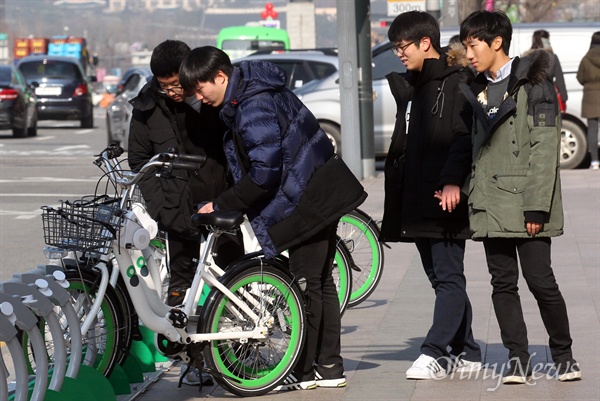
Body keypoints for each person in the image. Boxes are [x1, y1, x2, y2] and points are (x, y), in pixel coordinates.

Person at [178, 46, 367, 391]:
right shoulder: (250, 94)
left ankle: (310, 369)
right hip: (314, 191)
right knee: (319, 282)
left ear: (220, 77)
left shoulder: (253, 105)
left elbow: (265, 172)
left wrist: (221, 204)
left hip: (307, 199)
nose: (199, 97)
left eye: (200, 88)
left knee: (308, 284)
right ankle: (325, 366)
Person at [458, 10, 581, 384]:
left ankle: (563, 354)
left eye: (473, 44)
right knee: (502, 282)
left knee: (540, 279)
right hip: (490, 200)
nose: (468, 53)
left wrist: (536, 205)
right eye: (465, 46)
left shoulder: (535, 84)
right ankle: (518, 358)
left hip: (526, 200)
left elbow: (545, 150)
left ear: (497, 42)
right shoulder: (475, 86)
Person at [128, 39, 244, 386]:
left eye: (178, 84)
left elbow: (233, 142)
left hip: (218, 202)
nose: (174, 92)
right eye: (166, 87)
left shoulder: (207, 99)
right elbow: (139, 160)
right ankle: (195, 361)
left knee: (231, 278)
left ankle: (236, 355)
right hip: (175, 210)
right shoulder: (146, 107)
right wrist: (159, 207)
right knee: (181, 287)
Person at [379, 11, 481, 380]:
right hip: (416, 196)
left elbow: (461, 137)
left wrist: (453, 180)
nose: (398, 54)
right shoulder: (413, 85)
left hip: (445, 195)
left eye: (401, 46)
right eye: (394, 48)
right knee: (440, 278)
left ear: (425, 42)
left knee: (449, 276)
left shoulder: (457, 82)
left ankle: (434, 351)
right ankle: (467, 349)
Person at [523, 29, 568, 111]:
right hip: (549, 97)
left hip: (529, 98)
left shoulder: (525, 58)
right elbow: (560, 79)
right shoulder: (552, 57)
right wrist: (564, 98)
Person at [576, 31, 600, 170]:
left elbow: (580, 77)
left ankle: (595, 161)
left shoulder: (586, 58)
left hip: (590, 97)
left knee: (592, 129)